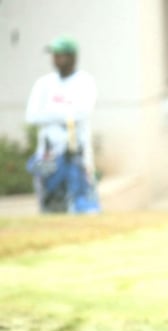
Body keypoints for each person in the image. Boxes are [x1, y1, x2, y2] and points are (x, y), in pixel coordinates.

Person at [25, 35, 99, 213]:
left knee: (80, 195)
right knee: (48, 194)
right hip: (48, 151)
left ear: (72, 57)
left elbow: (83, 112)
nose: (56, 59)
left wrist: (51, 113)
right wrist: (65, 113)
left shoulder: (85, 82)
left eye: (60, 55)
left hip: (76, 150)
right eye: (54, 55)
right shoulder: (44, 84)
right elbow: (32, 116)